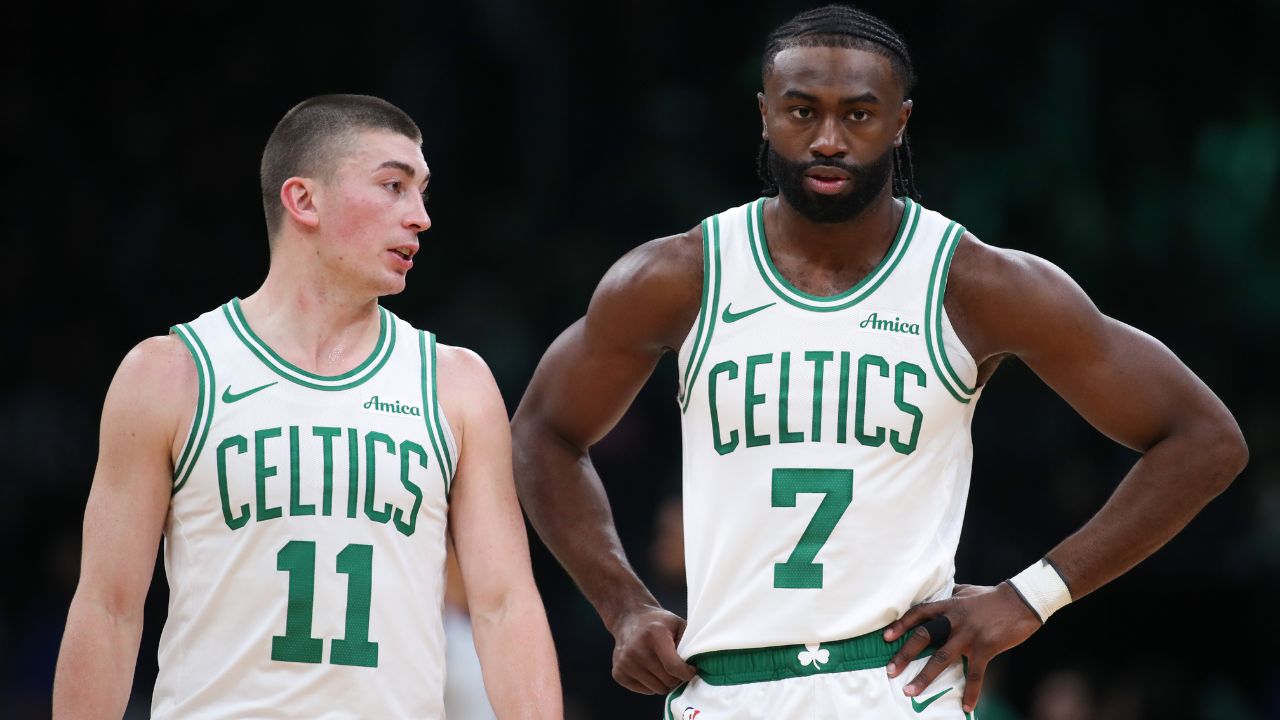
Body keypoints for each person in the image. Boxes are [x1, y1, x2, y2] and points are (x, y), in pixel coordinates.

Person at [511, 5, 1247, 718]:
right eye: (802, 111)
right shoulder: (679, 276)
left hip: (893, 684)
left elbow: (1204, 440)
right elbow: (543, 430)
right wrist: (623, 605)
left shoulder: (976, 283)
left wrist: (1032, 596)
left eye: (857, 114)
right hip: (727, 684)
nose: (828, 139)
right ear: (764, 114)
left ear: (900, 123)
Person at [52, 94, 562, 719]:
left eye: (423, 192)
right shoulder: (170, 373)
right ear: (304, 200)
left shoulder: (453, 383)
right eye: (394, 186)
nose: (421, 216)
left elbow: (505, 605)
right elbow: (107, 607)